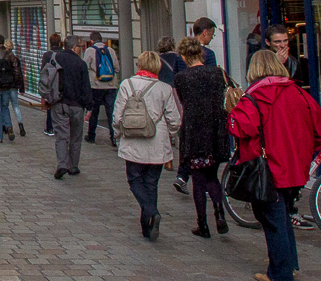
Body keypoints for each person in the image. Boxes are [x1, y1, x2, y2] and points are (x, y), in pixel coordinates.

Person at [227, 50, 321, 281]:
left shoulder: (254, 96)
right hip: (295, 167)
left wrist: (231, 111)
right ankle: (288, 262)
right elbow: (319, 133)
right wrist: (303, 153)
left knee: (272, 219)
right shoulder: (299, 93)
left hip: (268, 168)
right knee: (283, 215)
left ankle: (280, 273)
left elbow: (241, 129)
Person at [112, 51, 181, 241]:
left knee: (134, 180)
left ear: (139, 65)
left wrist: (118, 134)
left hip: (133, 140)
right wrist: (170, 135)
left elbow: (118, 116)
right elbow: (174, 120)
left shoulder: (127, 84)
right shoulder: (165, 88)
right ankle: (148, 226)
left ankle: (151, 212)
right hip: (157, 142)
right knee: (151, 183)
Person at [174, 36, 231, 238]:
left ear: (183, 55)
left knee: (198, 180)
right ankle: (219, 213)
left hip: (195, 131)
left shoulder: (181, 78)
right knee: (212, 176)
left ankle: (203, 224)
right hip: (216, 130)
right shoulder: (217, 73)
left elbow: (183, 102)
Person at [51, 35, 92, 180]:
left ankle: (62, 163)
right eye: (80, 47)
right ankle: (73, 165)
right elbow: (86, 86)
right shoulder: (80, 63)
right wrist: (89, 106)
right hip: (77, 105)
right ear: (75, 47)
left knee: (61, 136)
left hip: (59, 103)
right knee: (75, 136)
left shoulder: (56, 59)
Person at [84, 32, 120, 146]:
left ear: (91, 40)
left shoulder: (90, 51)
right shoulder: (110, 50)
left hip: (96, 85)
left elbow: (85, 67)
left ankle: (91, 136)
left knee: (94, 111)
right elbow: (117, 68)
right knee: (111, 111)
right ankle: (113, 137)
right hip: (111, 85)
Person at [262, 24, 309, 90]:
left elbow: (298, 85)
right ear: (268, 42)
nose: (283, 45)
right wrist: (277, 63)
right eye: (277, 42)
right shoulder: (259, 58)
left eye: (285, 41)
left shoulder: (293, 61)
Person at [41, 33, 63, 135]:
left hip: (51, 83)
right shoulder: (64, 54)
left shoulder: (47, 55)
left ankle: (50, 128)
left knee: (50, 105)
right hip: (62, 83)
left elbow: (43, 71)